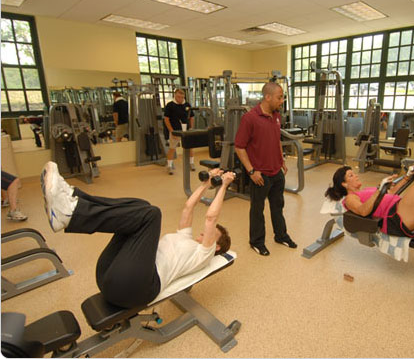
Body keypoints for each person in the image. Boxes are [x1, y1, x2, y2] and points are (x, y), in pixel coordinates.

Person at [40, 161, 232, 309]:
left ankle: (73, 214)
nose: (203, 233)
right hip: (110, 274)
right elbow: (189, 207)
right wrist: (207, 184)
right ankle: (74, 200)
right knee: (141, 205)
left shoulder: (204, 255)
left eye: (210, 235)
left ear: (216, 247)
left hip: (136, 288)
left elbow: (210, 218)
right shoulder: (185, 237)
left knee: (152, 215)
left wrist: (223, 186)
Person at [235, 82, 297, 256]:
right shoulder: (250, 118)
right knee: (257, 210)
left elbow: (276, 139)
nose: (282, 100)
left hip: (276, 171)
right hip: (260, 175)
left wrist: (281, 159)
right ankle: (256, 242)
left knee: (278, 207)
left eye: (282, 96)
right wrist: (251, 171)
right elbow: (239, 147)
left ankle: (281, 235)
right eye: (279, 97)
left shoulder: (276, 115)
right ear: (267, 97)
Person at [164, 89, 195, 175]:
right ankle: (169, 166)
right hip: (175, 130)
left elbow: (192, 117)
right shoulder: (170, 105)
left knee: (190, 148)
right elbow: (166, 119)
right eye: (178, 97)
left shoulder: (187, 105)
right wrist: (171, 131)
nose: (180, 99)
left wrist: (191, 128)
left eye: (182, 97)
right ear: (175, 96)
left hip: (186, 130)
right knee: (172, 148)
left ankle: (191, 163)